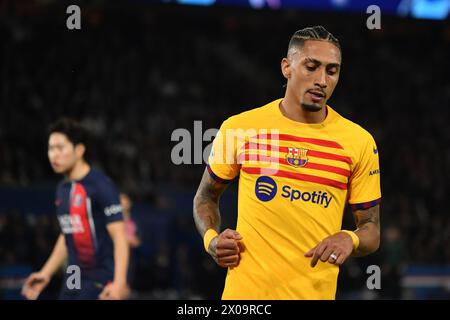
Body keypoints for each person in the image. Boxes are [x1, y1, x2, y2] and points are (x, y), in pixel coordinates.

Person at [193, 26, 381, 299]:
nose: (322, 80)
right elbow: (205, 197)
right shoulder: (240, 128)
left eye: (331, 70)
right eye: (311, 66)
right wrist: (212, 240)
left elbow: (371, 230)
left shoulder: (359, 142)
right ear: (287, 67)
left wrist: (349, 238)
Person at [21, 118, 130, 300]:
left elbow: (119, 237)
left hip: (100, 280)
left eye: (60, 148)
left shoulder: (100, 185)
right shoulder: (62, 189)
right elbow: (67, 234)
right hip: (73, 278)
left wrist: (119, 283)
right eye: (50, 148)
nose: (53, 155)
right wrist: (46, 273)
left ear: (79, 150)